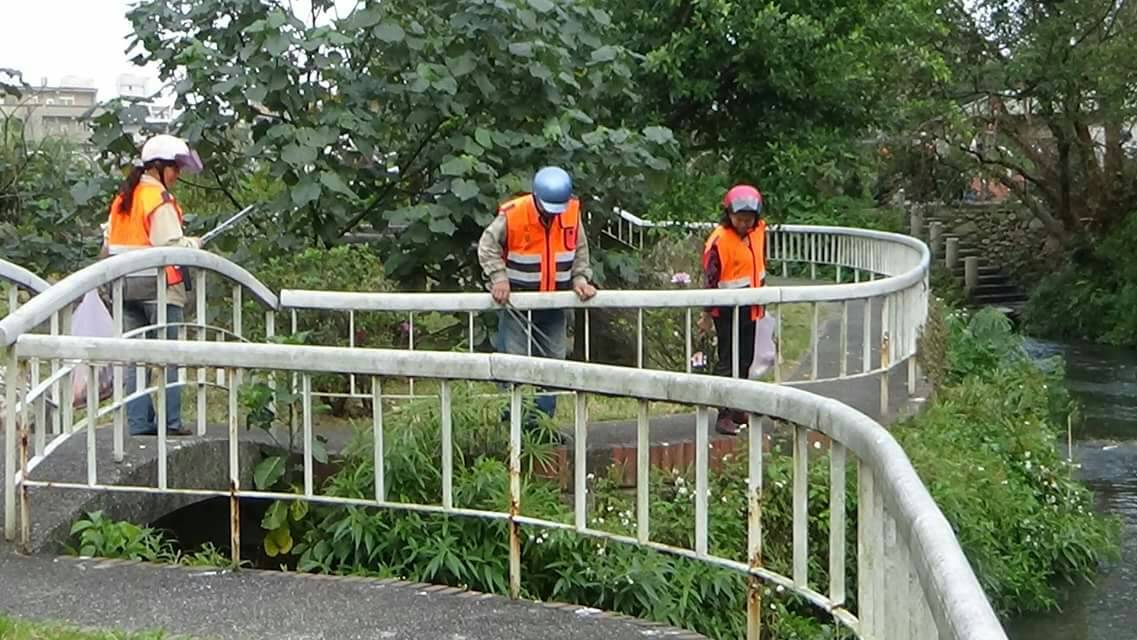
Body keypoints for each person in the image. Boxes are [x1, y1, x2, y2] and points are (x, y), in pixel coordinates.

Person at [477, 166, 597, 424]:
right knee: (515, 363)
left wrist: (580, 279)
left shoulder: (570, 214)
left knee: (554, 363)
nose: (553, 215)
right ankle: (513, 422)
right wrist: (499, 277)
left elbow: (580, 250)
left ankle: (542, 424)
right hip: (518, 302)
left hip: (554, 301)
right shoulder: (514, 214)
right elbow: (487, 245)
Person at [104, 134, 204, 436]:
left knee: (135, 358)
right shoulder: (158, 200)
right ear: (158, 167)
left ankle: (138, 423)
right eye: (174, 168)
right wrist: (195, 243)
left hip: (124, 287)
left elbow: (108, 242)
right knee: (168, 355)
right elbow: (170, 245)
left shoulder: (123, 198)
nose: (178, 174)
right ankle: (171, 422)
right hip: (159, 288)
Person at [698, 184, 768, 435]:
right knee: (727, 360)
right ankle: (723, 414)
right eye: (739, 219)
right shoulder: (719, 240)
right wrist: (706, 314)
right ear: (728, 215)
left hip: (751, 306)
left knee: (746, 358)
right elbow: (711, 279)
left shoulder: (758, 231)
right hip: (727, 310)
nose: (743, 224)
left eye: (748, 220)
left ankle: (739, 405)